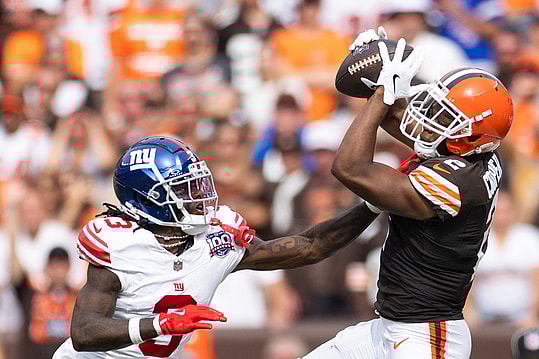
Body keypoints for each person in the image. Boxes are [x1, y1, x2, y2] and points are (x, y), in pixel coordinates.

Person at [52, 135, 380, 358]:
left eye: (196, 184)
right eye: (182, 189)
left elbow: (311, 246)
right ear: (149, 200)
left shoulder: (215, 240)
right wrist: (161, 324)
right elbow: (84, 332)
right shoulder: (120, 245)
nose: (198, 197)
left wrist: (374, 206)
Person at [303, 28, 514, 358]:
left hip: (428, 335)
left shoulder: (458, 183)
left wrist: (383, 94)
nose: (432, 119)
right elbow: (404, 119)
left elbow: (349, 168)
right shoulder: (473, 153)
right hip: (389, 327)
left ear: (472, 137)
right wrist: (376, 73)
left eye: (448, 118)